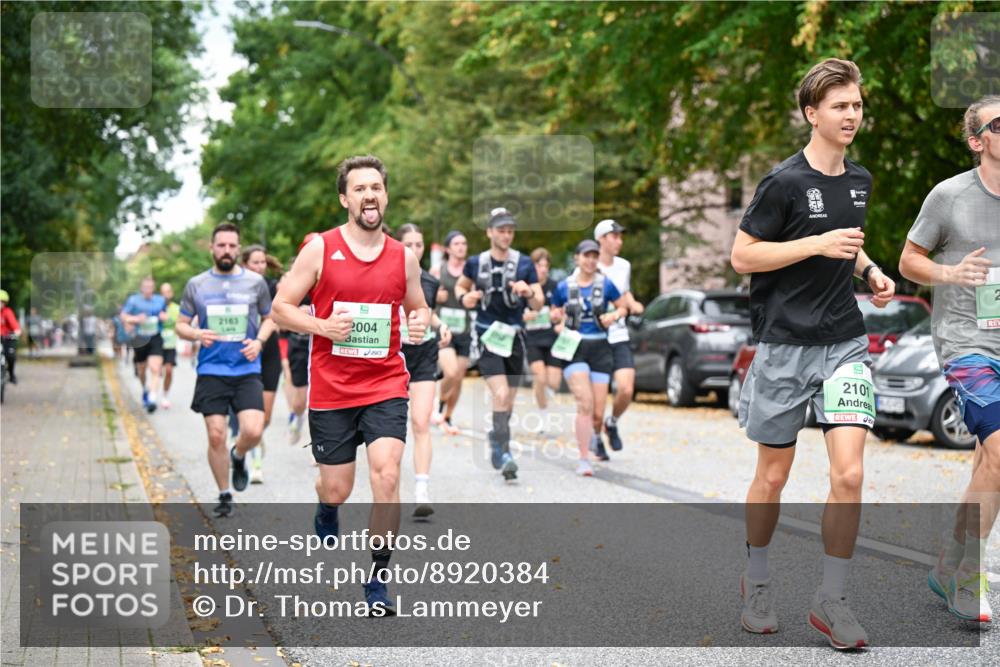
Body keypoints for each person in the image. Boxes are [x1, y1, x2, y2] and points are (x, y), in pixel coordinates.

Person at [730, 58, 895, 649]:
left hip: (844, 343)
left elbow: (848, 247)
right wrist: (816, 243)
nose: (852, 115)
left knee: (849, 473)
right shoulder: (782, 183)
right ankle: (757, 580)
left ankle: (833, 600)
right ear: (812, 114)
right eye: (840, 106)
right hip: (782, 345)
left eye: (856, 105)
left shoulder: (860, 180)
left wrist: (870, 268)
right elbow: (743, 257)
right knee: (771, 477)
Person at [271, 155, 430, 615]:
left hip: (384, 383)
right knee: (338, 488)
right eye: (359, 188)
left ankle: (377, 579)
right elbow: (282, 308)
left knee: (386, 473)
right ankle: (326, 506)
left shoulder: (404, 257)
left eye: (376, 187)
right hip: (332, 390)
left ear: (385, 195)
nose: (369, 195)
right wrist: (323, 328)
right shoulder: (320, 248)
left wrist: (419, 323)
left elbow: (419, 308)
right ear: (345, 199)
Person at [899, 95, 1000, 624]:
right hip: (967, 343)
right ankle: (967, 576)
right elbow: (909, 260)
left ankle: (947, 563)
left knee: (989, 462)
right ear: (976, 140)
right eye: (999, 124)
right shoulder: (950, 196)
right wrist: (951, 274)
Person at [174, 222, 275, 518]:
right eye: (221, 245)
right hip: (212, 370)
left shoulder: (255, 283)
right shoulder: (197, 284)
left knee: (254, 430)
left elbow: (270, 318)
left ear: (238, 249)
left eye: (232, 246)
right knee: (216, 434)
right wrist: (196, 334)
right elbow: (180, 325)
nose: (227, 250)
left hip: (246, 369)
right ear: (212, 248)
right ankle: (224, 493)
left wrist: (258, 341)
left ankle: (239, 454)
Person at [455, 207, 544, 480]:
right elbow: (461, 287)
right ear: (489, 232)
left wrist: (529, 292)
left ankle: (497, 436)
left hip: (515, 337)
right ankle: (504, 452)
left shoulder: (524, 264)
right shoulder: (475, 263)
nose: (506, 235)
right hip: (487, 336)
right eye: (501, 230)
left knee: (509, 400)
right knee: (501, 394)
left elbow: (539, 301)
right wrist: (464, 298)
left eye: (510, 231)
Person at [550, 240, 627, 476]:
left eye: (595, 256)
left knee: (597, 412)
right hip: (574, 349)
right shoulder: (564, 286)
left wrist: (613, 315)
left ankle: (595, 435)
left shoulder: (606, 284)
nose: (591, 260)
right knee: (585, 402)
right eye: (586, 256)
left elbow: (623, 307)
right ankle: (584, 458)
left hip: (600, 349)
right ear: (577, 259)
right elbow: (553, 315)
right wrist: (557, 320)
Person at [397, 224, 452, 517]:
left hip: (424, 356)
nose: (415, 250)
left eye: (419, 245)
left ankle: (421, 490)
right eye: (409, 244)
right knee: (392, 428)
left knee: (420, 422)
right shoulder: (387, 275)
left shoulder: (429, 281)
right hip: (393, 356)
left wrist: (441, 326)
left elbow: (425, 311)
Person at [591, 219, 644, 455]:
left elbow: (624, 292)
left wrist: (633, 303)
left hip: (619, 333)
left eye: (621, 237)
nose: (619, 242)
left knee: (625, 389)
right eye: (615, 237)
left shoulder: (624, 266)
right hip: (594, 338)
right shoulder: (588, 266)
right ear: (601, 239)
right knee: (596, 399)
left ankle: (611, 423)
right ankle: (595, 438)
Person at [237, 245, 284, 483]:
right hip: (245, 351)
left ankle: (254, 438)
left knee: (264, 417)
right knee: (249, 414)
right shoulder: (236, 286)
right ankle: (254, 461)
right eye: (254, 262)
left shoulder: (274, 287)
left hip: (269, 352)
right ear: (244, 264)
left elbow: (284, 312)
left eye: (262, 262)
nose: (259, 266)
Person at [430, 230, 471, 436]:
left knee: (459, 377)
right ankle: (440, 402)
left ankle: (447, 416)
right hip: (444, 329)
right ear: (448, 249)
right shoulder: (438, 270)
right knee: (451, 372)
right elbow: (425, 297)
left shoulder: (471, 271)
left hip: (465, 329)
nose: (461, 247)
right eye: (456, 243)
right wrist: (437, 296)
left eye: (464, 243)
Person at [523, 248, 562, 431]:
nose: (543, 269)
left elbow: (562, 310)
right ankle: (543, 414)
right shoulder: (526, 287)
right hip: (533, 338)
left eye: (546, 266)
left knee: (553, 382)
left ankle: (541, 392)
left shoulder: (555, 287)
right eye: (540, 265)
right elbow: (516, 313)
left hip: (552, 337)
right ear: (533, 266)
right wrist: (526, 316)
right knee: (540, 376)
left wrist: (557, 316)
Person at [285, 233, 318, 445]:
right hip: (299, 341)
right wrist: (299, 311)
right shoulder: (293, 278)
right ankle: (296, 419)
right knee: (299, 402)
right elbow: (280, 310)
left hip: (324, 341)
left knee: (318, 397)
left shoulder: (333, 273)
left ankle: (320, 444)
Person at [121, 277, 167, 413]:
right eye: (145, 287)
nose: (148, 290)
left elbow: (163, 313)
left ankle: (152, 398)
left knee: (155, 368)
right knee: (141, 369)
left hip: (155, 337)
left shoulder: (160, 300)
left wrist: (164, 316)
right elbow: (124, 316)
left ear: (153, 288)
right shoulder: (133, 300)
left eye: (150, 287)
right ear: (141, 288)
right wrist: (135, 319)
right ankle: (145, 389)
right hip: (140, 337)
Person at [159, 283, 181, 409]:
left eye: (167, 292)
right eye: (162, 292)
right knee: (156, 370)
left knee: (168, 370)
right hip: (156, 343)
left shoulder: (176, 309)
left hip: (170, 345)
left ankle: (165, 396)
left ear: (171, 293)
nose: (165, 295)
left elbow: (180, 325)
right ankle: (150, 393)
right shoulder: (155, 307)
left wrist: (169, 320)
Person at [0, 290, 21, 384]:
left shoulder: (7, 312)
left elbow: (14, 324)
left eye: (1, 302)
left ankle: (11, 374)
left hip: (7, 338)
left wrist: (17, 331)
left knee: (11, 356)